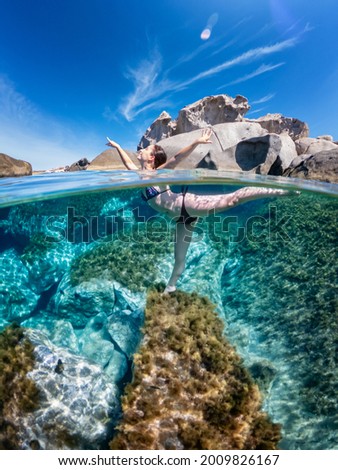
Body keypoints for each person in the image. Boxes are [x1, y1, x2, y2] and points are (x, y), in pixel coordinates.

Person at [106, 130, 296, 293]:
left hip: (185, 205)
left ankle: (281, 191)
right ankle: (170, 289)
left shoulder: (159, 173)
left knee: (233, 200)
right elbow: (127, 163)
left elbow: (176, 159)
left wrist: (196, 142)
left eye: (146, 149)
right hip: (182, 219)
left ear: (152, 158)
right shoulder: (139, 175)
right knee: (179, 259)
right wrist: (117, 147)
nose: (141, 150)